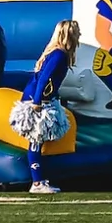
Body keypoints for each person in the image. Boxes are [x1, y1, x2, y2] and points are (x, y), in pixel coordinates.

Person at [13, 19, 80, 194]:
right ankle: (37, 183)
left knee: (39, 140)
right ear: (70, 35)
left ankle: (39, 179)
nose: (79, 36)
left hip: (42, 98)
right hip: (37, 99)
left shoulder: (57, 53)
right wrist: (36, 102)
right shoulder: (58, 55)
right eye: (77, 32)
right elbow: (44, 79)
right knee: (36, 139)